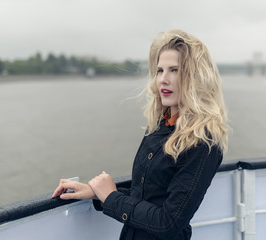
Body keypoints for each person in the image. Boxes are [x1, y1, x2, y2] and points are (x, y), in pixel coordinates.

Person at [52, 29, 228, 240]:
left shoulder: (203, 142)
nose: (163, 79)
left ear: (196, 77)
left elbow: (168, 222)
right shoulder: (159, 128)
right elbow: (146, 198)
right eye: (159, 71)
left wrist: (111, 197)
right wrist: (98, 194)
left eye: (174, 70)